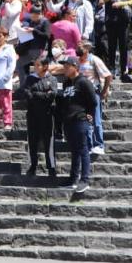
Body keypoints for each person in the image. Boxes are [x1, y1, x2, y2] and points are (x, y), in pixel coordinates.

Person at [56, 57, 96, 194]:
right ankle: (73, 178)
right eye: (64, 66)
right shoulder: (67, 83)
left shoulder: (83, 82)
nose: (65, 68)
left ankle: (84, 180)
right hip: (68, 122)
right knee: (74, 151)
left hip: (80, 120)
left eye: (67, 66)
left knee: (83, 149)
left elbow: (93, 101)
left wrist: (90, 115)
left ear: (75, 67)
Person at [22, 57, 58, 178]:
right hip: (32, 114)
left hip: (47, 114)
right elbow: (27, 94)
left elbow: (52, 95)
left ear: (45, 66)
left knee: (49, 141)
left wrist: (36, 94)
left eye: (38, 65)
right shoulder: (30, 78)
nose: (35, 67)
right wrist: (43, 95)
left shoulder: (52, 79)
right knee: (32, 141)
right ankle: (32, 166)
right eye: (35, 65)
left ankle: (51, 167)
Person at [75, 41, 113, 155]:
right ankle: (88, 144)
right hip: (80, 94)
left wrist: (104, 91)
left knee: (96, 120)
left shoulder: (94, 60)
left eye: (81, 47)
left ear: (87, 49)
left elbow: (108, 75)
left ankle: (99, 145)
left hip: (93, 92)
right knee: (85, 120)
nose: (78, 48)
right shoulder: (77, 61)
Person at [100, 0, 132, 76]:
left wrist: (121, 3)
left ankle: (123, 69)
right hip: (110, 21)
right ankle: (111, 68)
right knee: (111, 45)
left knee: (123, 45)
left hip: (123, 21)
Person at [15, 5, 51, 77]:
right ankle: (24, 85)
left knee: (36, 68)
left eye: (34, 16)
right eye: (31, 16)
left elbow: (47, 36)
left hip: (39, 49)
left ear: (40, 14)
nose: (32, 18)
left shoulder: (45, 22)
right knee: (18, 64)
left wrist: (34, 30)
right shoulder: (32, 22)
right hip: (30, 49)